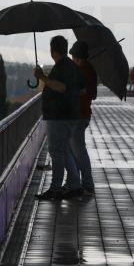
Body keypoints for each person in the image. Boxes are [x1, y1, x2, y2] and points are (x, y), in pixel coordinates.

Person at [34, 35, 86, 200]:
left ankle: (55, 188)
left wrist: (42, 77)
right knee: (63, 150)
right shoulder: (71, 66)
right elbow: (82, 89)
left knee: (56, 151)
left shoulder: (63, 66)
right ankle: (75, 185)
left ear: (52, 50)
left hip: (60, 116)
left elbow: (61, 87)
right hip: (70, 115)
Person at [68, 41, 97, 196]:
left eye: (73, 57)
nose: (72, 60)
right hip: (83, 115)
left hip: (78, 115)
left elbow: (79, 92)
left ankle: (87, 185)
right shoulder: (90, 70)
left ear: (77, 57)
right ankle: (75, 183)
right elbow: (93, 94)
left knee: (79, 152)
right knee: (75, 151)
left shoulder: (82, 71)